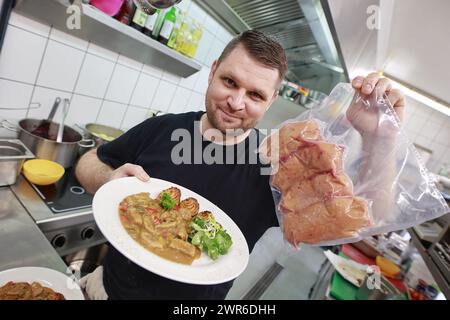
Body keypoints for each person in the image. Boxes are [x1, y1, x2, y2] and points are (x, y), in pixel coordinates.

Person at [76, 30, 406, 300]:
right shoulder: (163, 128)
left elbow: (370, 218)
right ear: (213, 70)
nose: (236, 103)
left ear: (272, 100)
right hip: (104, 292)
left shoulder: (275, 165)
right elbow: (88, 162)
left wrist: (383, 140)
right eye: (230, 82)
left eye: (255, 95)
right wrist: (109, 179)